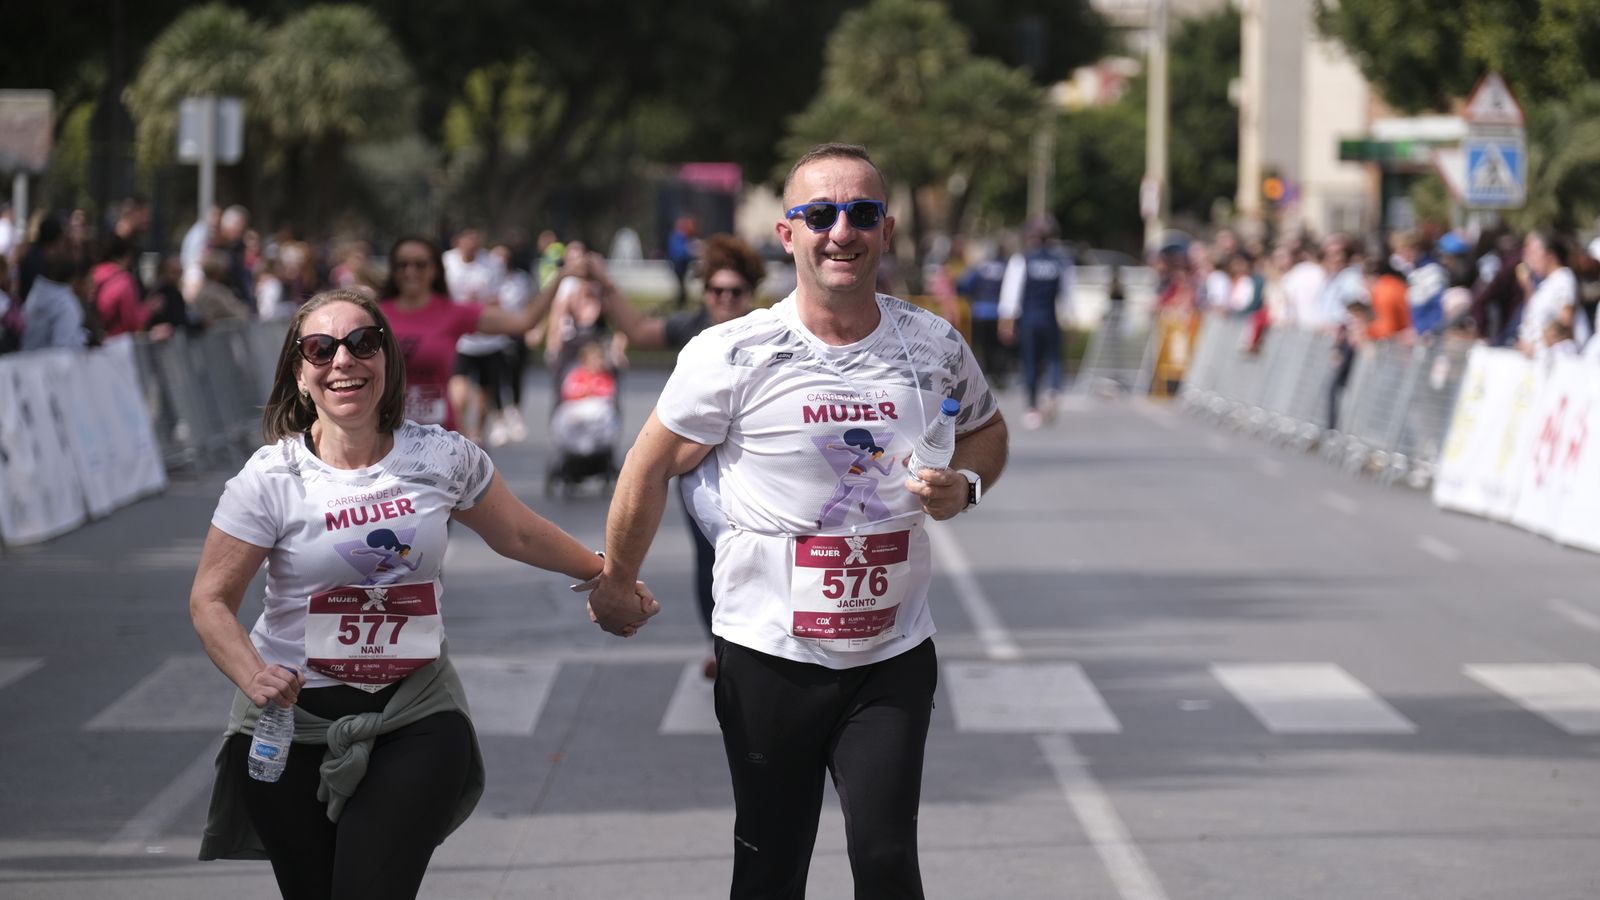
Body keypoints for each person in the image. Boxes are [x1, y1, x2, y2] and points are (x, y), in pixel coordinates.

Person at [587, 143, 1008, 898]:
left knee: (885, 863)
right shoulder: (733, 352)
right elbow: (649, 466)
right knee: (771, 868)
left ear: (886, 231)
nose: (841, 231)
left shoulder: (931, 344)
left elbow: (988, 429)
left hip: (891, 652)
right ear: (788, 234)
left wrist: (967, 484)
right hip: (768, 656)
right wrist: (618, 578)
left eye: (861, 214)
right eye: (820, 214)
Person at [188, 288, 647, 899]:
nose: (343, 361)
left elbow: (516, 531)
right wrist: (252, 675)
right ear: (300, 376)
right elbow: (210, 600)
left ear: (387, 362)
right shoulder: (269, 479)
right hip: (288, 724)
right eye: (321, 349)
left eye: (363, 343)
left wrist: (607, 574)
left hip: (413, 713)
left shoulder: (440, 456)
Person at [597, 233, 766, 677]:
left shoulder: (771, 333)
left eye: (736, 292)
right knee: (710, 558)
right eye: (717, 291)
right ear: (705, 292)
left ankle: (763, 642)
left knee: (756, 553)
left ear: (751, 295)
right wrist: (602, 283)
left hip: (753, 468)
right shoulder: (693, 329)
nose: (725, 299)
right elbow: (635, 331)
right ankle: (722, 643)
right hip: (699, 470)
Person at [378, 235, 558, 434]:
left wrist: (560, 277)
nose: (410, 271)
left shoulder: (453, 313)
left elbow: (524, 321)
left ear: (434, 270)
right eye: (402, 265)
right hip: (387, 436)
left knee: (481, 395)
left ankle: (478, 435)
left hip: (438, 437)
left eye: (420, 264)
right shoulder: (374, 315)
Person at [999, 216, 1071, 429]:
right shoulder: (1060, 261)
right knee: (1055, 359)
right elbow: (1067, 294)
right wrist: (1069, 318)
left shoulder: (1022, 260)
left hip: (1029, 317)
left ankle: (1032, 408)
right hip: (1051, 317)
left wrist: (1006, 321)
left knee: (1030, 362)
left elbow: (1011, 293)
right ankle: (1053, 391)